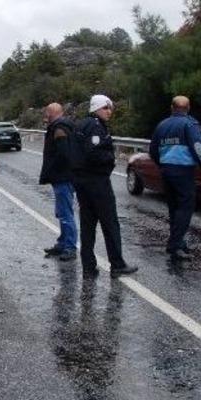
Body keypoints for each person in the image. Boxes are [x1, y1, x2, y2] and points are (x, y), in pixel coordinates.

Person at [73, 94, 138, 279]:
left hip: (82, 182)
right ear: (96, 108)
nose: (109, 112)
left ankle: (88, 266)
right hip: (97, 182)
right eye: (106, 108)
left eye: (110, 108)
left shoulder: (82, 124)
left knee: (87, 225)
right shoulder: (95, 126)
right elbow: (94, 153)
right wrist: (111, 159)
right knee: (110, 223)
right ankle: (117, 264)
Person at [149, 96, 201, 261]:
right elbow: (198, 148)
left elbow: (153, 150)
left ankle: (178, 241)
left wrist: (162, 164)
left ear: (172, 108)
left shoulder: (162, 125)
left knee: (174, 209)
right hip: (184, 171)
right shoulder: (189, 124)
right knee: (185, 208)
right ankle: (175, 245)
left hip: (166, 171)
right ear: (188, 108)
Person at [39, 103, 77, 261]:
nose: (45, 115)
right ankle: (62, 243)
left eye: (47, 112)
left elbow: (63, 154)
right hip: (64, 176)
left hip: (63, 177)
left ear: (52, 113)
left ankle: (70, 247)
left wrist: (52, 169)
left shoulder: (59, 129)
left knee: (66, 213)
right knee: (62, 212)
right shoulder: (63, 126)